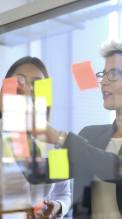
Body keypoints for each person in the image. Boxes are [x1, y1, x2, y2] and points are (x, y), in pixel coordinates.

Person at [26, 39, 122, 219]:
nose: (104, 82)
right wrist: (14, 130)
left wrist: (61, 139)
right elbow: (39, 172)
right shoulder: (90, 135)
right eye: (104, 74)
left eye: (114, 74)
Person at [0, 56, 71, 219]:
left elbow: (64, 193)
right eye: (20, 82)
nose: (29, 89)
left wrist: (59, 206)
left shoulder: (55, 141)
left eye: (37, 84)